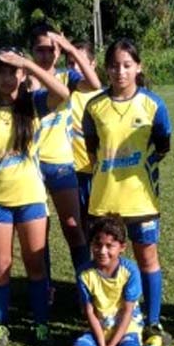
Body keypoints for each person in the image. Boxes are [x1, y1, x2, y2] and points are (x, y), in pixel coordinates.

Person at [0, 48, 69, 346]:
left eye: (13, 71)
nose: (6, 77)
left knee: (35, 265)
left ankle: (40, 324)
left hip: (32, 200)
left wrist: (27, 63)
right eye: (0, 71)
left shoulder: (34, 105)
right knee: (1, 267)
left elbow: (63, 93)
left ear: (22, 74)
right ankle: (0, 326)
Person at [82, 38, 171, 343]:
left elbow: (163, 146)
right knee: (104, 262)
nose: (120, 71)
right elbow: (91, 149)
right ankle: (107, 318)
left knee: (148, 260)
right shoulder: (95, 106)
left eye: (127, 65)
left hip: (141, 200)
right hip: (104, 201)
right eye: (114, 65)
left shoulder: (153, 104)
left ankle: (154, 321)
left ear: (138, 67)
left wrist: (137, 170)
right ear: (106, 69)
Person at [28, 24, 99, 296]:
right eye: (40, 50)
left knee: (73, 227)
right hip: (30, 166)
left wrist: (71, 48)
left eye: (51, 50)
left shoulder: (67, 77)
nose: (46, 56)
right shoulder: (22, 80)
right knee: (38, 233)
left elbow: (94, 83)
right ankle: (45, 288)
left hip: (59, 163)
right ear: (31, 51)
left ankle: (87, 289)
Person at [66, 215, 165, 346]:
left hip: (127, 328)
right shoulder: (84, 274)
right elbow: (90, 312)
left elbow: (127, 312)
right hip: (100, 328)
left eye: (109, 246)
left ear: (122, 247)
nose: (102, 251)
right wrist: (102, 343)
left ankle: (154, 345)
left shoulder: (130, 271)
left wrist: (112, 345)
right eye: (97, 245)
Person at [67, 41, 101, 229]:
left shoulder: (101, 97)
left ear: (93, 64)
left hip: (97, 173)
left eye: (80, 62)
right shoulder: (62, 93)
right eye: (71, 63)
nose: (75, 67)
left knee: (100, 227)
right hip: (72, 173)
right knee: (77, 228)